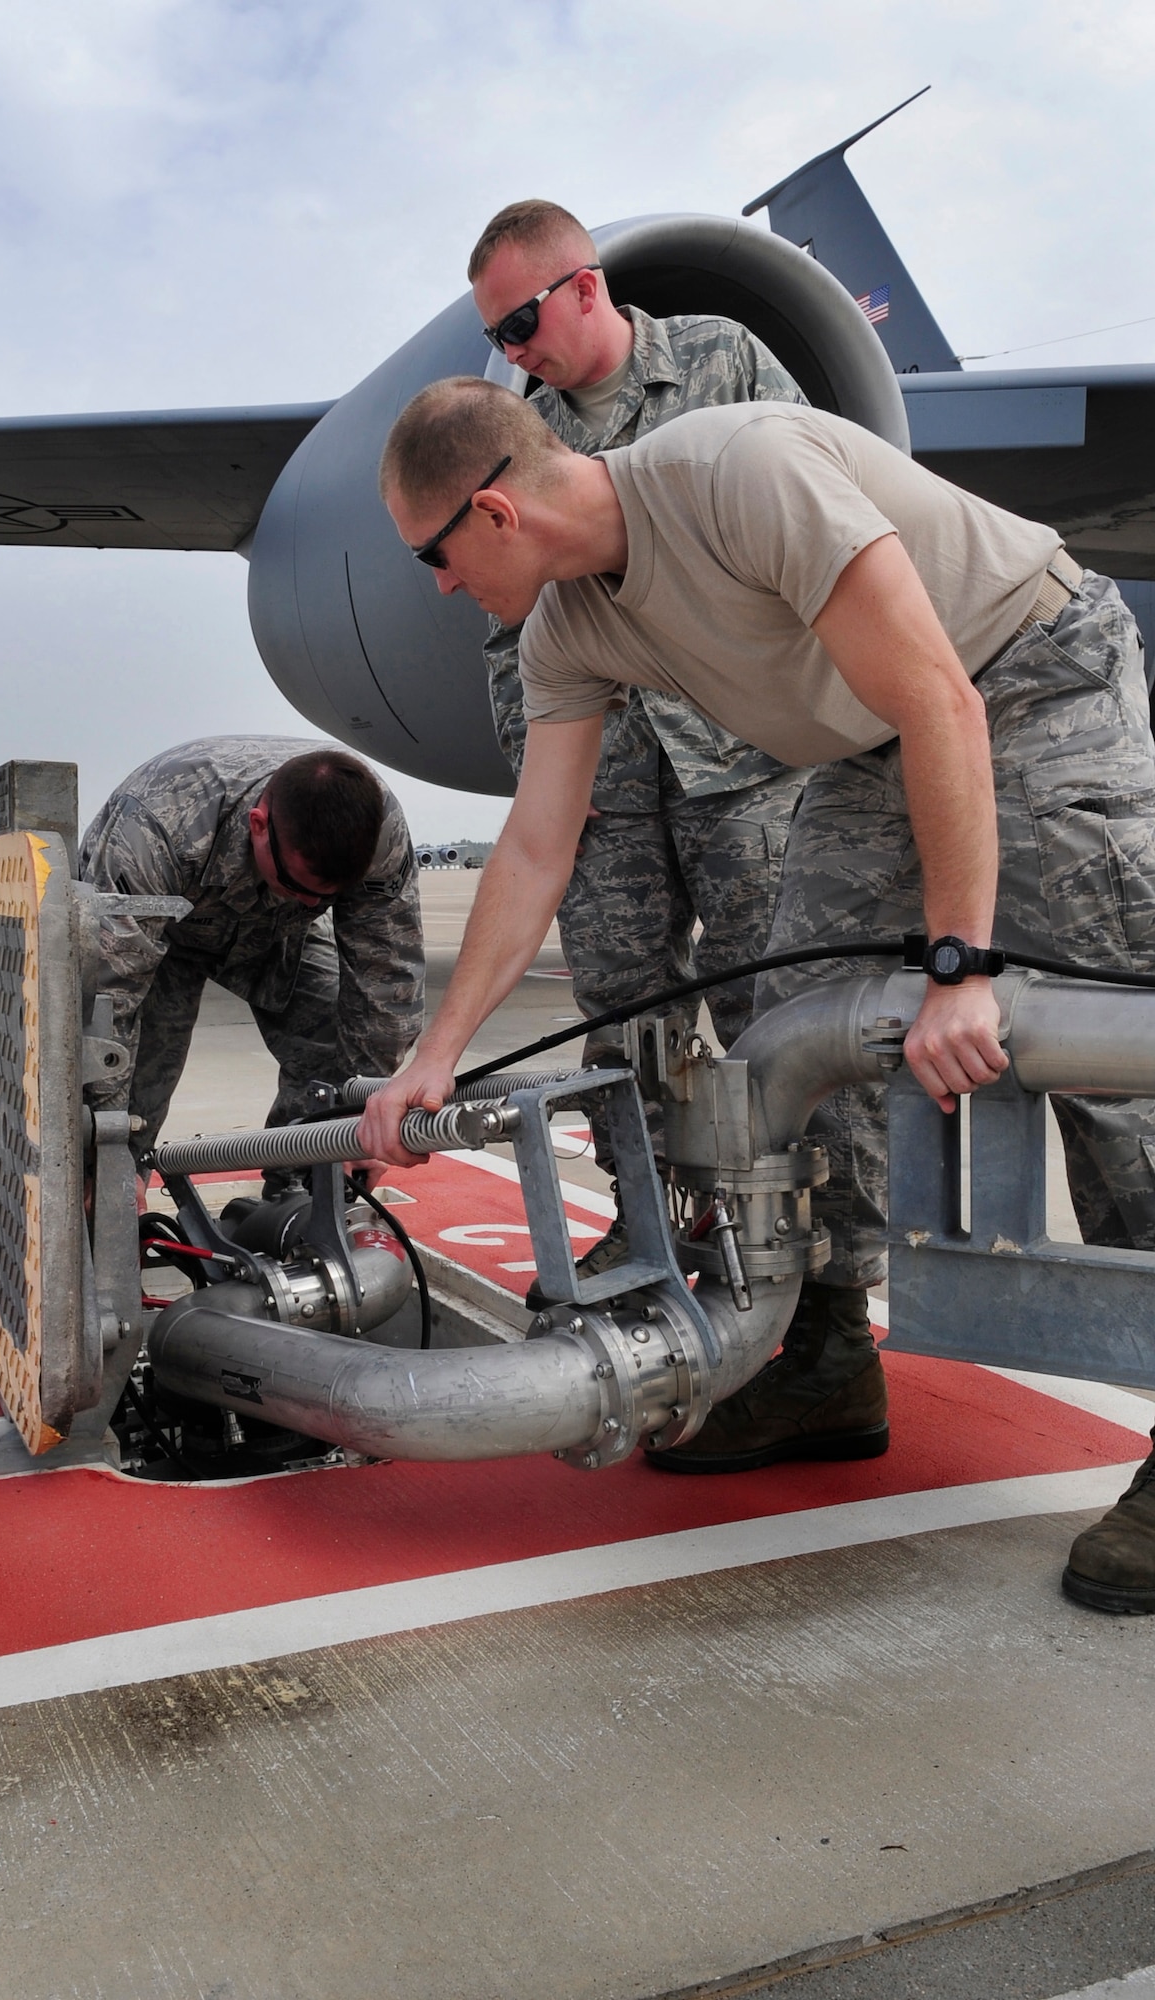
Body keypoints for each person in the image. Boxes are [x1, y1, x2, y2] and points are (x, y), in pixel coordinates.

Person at [359, 377, 1155, 1614]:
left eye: (433, 554)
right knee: (793, 1019)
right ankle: (830, 1351)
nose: (439, 584)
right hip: (872, 737)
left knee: (1087, 1030)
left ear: (495, 510)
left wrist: (958, 962)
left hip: (1025, 669)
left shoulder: (736, 468)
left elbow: (942, 692)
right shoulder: (565, 631)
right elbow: (532, 848)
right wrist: (435, 1053)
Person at [469, 200, 808, 1300]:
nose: (513, 353)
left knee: (776, 1009)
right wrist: (547, 777)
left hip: (741, 761)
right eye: (499, 338)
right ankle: (648, 1225)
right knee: (623, 1015)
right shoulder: (520, 436)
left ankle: (793, 1252)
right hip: (608, 777)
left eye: (520, 323)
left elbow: (815, 514)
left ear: (582, 285)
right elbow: (503, 631)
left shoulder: (723, 360)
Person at [79, 736, 424, 1171]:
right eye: (299, 884)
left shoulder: (378, 832)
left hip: (277, 928)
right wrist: (108, 1159)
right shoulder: (156, 826)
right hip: (162, 934)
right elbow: (109, 1004)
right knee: (134, 1091)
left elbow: (387, 982)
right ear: (258, 825)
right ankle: (119, 1202)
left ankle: (296, 1200)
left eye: (329, 898)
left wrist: (360, 1120)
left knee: (334, 1062)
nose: (315, 904)